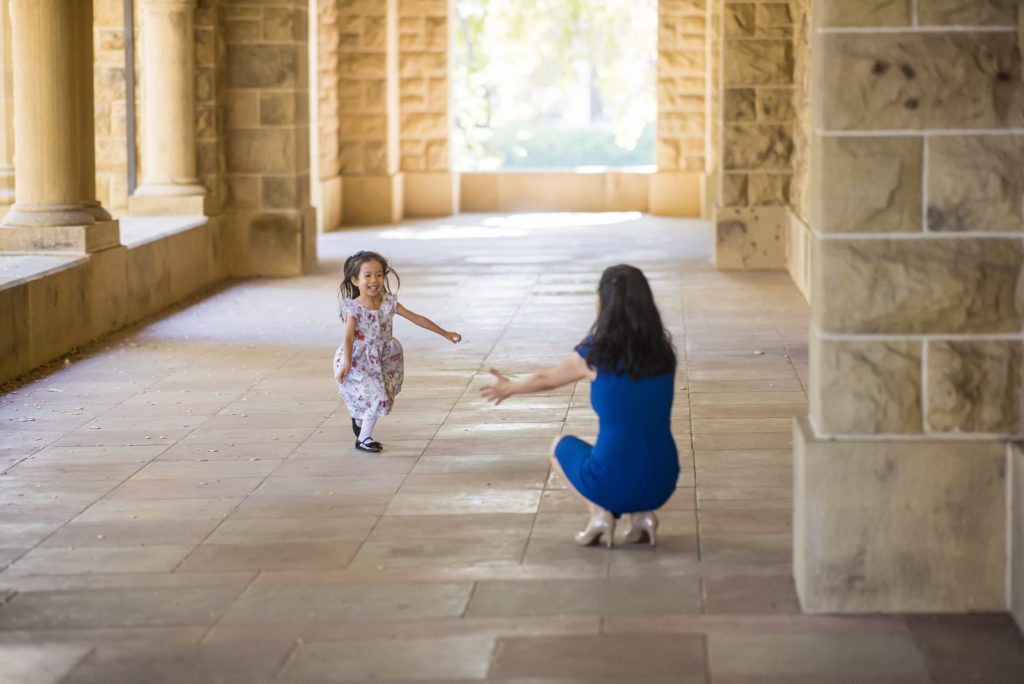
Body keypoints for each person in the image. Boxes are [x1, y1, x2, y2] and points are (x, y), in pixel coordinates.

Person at [480, 264, 679, 547]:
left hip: (612, 480)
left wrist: (510, 387)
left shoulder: (596, 354)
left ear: (602, 302)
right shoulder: (663, 352)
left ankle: (600, 516)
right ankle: (643, 516)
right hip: (665, 479)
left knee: (559, 447)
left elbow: (545, 378)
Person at [334, 250, 461, 452]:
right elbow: (349, 337)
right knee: (377, 395)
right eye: (367, 275)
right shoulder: (354, 308)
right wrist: (347, 362)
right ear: (355, 280)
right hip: (360, 358)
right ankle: (364, 438)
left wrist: (444, 333)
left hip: (386, 357)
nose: (374, 280)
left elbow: (416, 317)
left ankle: (360, 420)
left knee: (384, 393)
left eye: (379, 274)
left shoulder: (388, 302)